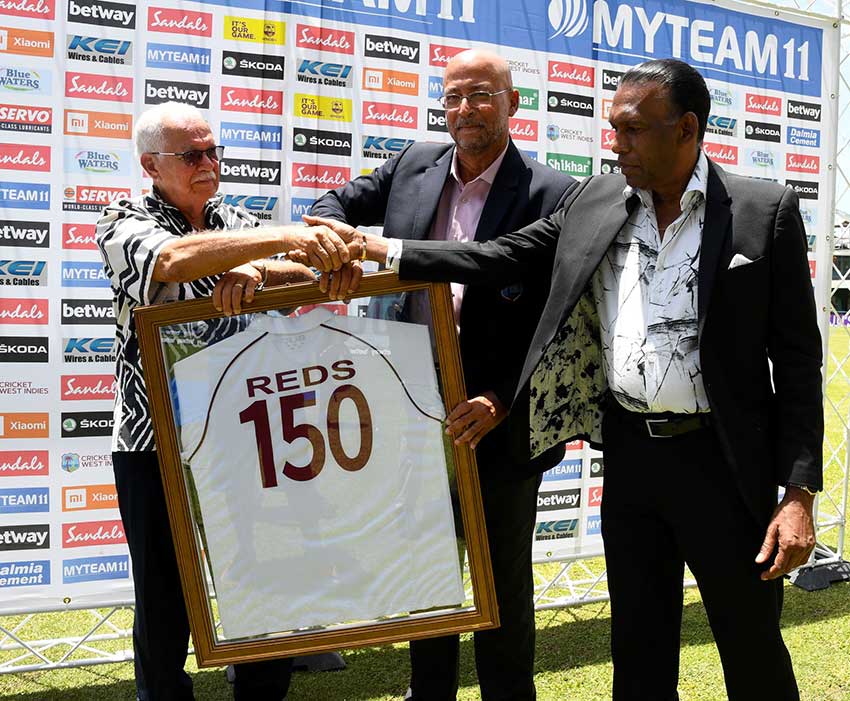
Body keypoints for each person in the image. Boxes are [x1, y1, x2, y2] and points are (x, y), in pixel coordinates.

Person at [309, 59, 823, 701]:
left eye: (633, 131)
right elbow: (497, 258)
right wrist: (382, 251)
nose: (617, 144)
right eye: (614, 128)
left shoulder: (761, 209)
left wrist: (798, 493)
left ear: (688, 128)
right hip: (631, 460)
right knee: (638, 648)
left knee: (751, 649)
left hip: (722, 464)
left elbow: (799, 363)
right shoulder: (596, 199)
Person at [307, 49, 576, 701]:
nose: (464, 110)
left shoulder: (554, 193)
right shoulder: (411, 168)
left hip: (494, 419)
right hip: (407, 409)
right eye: (453, 97)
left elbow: (561, 320)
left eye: (481, 95)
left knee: (501, 586)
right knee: (425, 579)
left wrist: (503, 396)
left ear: (514, 104)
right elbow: (333, 201)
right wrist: (327, 235)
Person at [96, 101, 351, 701]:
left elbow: (297, 272)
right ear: (151, 165)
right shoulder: (121, 218)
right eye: (192, 155)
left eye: (214, 151)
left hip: (244, 434)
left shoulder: (233, 217)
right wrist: (275, 242)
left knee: (267, 580)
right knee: (164, 595)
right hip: (154, 440)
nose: (208, 163)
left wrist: (260, 273)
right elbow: (169, 260)